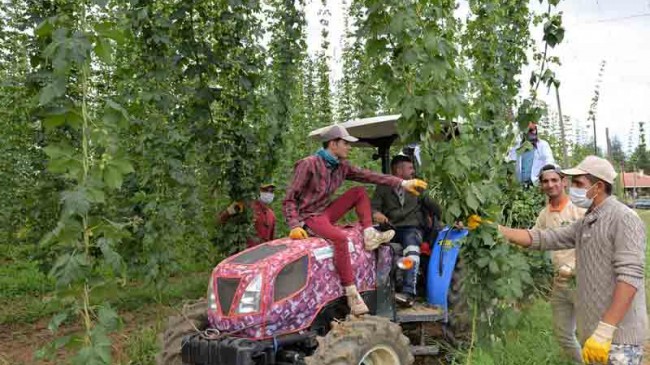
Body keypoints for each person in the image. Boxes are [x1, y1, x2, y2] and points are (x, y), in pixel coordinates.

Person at [498, 156, 647, 365]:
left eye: (578, 183)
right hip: (595, 336)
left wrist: (606, 330)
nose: (572, 188)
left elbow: (630, 277)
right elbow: (544, 238)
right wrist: (496, 230)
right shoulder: (587, 221)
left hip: (618, 339)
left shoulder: (624, 218)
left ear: (598, 187)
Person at [283, 124, 427, 315]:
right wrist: (294, 224)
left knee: (359, 192)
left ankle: (369, 234)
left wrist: (403, 182)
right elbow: (289, 198)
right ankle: (352, 294)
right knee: (341, 238)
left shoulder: (341, 166)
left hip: (324, 213)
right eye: (345, 143)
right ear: (333, 144)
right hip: (308, 217)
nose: (349, 147)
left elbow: (370, 176)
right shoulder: (309, 164)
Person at [371, 155, 442, 305]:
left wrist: (453, 215)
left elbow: (434, 206)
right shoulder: (383, 187)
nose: (413, 171)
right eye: (410, 168)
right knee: (369, 244)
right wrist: (378, 215)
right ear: (398, 170)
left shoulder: (417, 187)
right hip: (391, 229)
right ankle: (373, 292)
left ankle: (408, 293)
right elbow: (373, 209)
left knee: (411, 244)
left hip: (412, 228)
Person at [534, 164, 586, 363]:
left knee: (589, 333)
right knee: (563, 334)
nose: (550, 184)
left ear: (564, 182)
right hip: (559, 282)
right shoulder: (544, 214)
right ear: (541, 186)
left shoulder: (578, 210)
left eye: (555, 180)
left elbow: (592, 244)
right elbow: (534, 237)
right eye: (545, 181)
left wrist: (573, 266)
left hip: (582, 281)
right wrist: (503, 237)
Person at [218, 183, 276, 248]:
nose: (269, 194)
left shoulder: (271, 215)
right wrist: (228, 212)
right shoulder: (247, 207)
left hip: (263, 254)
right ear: (259, 191)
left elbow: (271, 241)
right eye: (265, 190)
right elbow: (221, 220)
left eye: (271, 191)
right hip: (246, 253)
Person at [508, 122, 556, 186]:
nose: (532, 133)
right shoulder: (517, 146)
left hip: (536, 183)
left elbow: (549, 160)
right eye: (529, 130)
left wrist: (544, 174)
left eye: (533, 130)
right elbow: (512, 162)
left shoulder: (542, 145)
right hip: (519, 185)